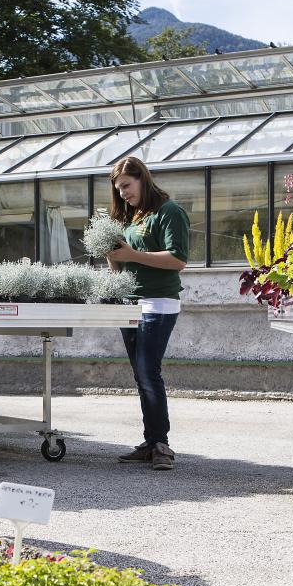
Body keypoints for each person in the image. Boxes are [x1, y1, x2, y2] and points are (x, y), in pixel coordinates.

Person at [105, 155, 189, 471]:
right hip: (130, 303)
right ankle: (152, 441)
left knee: (149, 373)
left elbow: (178, 259)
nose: (123, 193)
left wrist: (132, 254)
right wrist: (113, 256)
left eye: (127, 185)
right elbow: (122, 266)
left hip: (158, 303)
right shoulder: (131, 219)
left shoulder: (169, 212)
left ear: (142, 178)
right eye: (119, 189)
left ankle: (162, 446)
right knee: (141, 376)